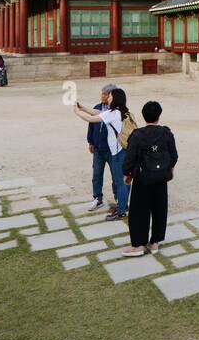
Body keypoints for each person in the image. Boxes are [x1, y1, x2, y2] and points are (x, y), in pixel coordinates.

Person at [120, 100, 179, 256]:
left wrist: (127, 175)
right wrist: (170, 169)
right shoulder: (166, 133)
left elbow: (130, 157)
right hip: (161, 178)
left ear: (143, 115)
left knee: (139, 210)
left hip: (142, 178)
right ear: (159, 115)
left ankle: (138, 245)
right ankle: (154, 242)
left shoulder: (137, 135)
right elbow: (173, 155)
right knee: (160, 209)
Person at [73, 87, 136, 220]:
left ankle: (121, 211)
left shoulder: (113, 114)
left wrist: (76, 111)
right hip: (126, 150)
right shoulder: (123, 112)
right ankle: (123, 206)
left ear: (115, 98)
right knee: (125, 180)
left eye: (110, 96)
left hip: (119, 153)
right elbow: (98, 112)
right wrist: (83, 107)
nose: (108, 98)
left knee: (120, 182)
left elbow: (91, 119)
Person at [81, 83, 116, 213]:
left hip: (112, 149)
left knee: (115, 175)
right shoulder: (97, 107)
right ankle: (97, 198)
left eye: (104, 94)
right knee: (97, 174)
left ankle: (118, 198)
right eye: (102, 93)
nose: (102, 96)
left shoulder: (116, 111)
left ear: (110, 96)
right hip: (98, 148)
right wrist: (90, 141)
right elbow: (91, 124)